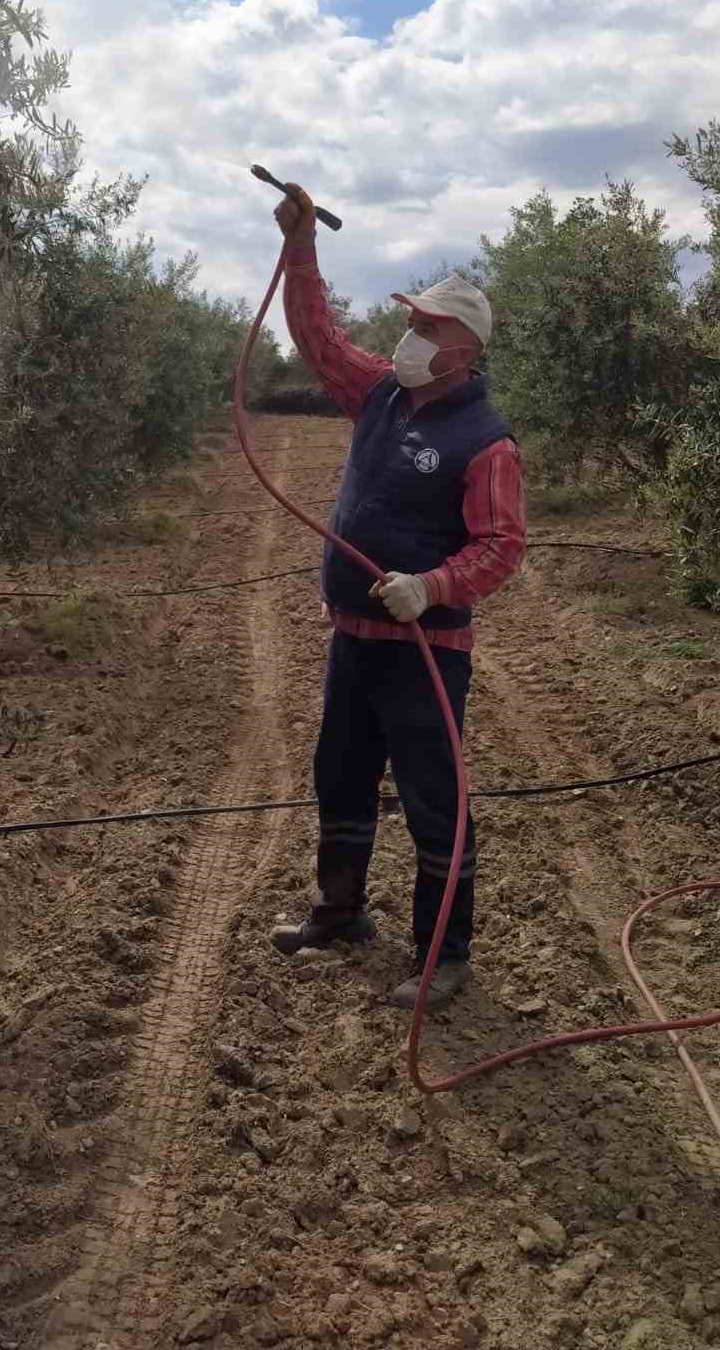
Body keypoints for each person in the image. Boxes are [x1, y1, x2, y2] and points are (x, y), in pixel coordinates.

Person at [269, 183, 526, 1011]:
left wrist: (432, 587)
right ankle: (339, 914)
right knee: (339, 776)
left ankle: (444, 955)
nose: (409, 335)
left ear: (463, 350)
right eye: (410, 322)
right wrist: (301, 245)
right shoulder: (378, 391)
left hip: (427, 653)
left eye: (425, 327)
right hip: (353, 639)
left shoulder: (486, 443)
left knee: (433, 800)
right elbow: (317, 338)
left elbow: (501, 547)